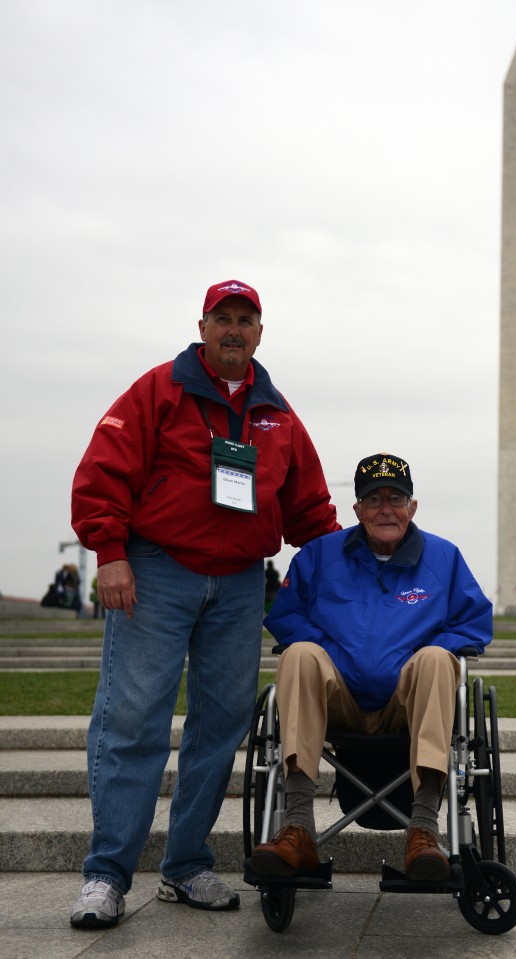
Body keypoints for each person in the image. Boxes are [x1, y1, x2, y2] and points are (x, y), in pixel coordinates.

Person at [69, 279, 339, 929]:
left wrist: (357, 574)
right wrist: (110, 552)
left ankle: (186, 863)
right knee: (133, 719)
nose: (235, 329)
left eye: (246, 320)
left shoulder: (277, 413)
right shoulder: (158, 389)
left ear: (260, 333)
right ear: (203, 324)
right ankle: (106, 875)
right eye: (224, 318)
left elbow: (311, 510)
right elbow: (104, 471)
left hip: (243, 580)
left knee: (220, 726)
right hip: (157, 571)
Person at [250, 453, 492, 882]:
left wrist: (419, 653)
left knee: (439, 660)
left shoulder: (443, 558)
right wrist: (334, 653)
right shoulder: (319, 557)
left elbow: (473, 622)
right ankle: (298, 826)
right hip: (338, 697)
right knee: (299, 654)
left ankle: (423, 829)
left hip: (405, 698)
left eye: (396, 498)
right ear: (357, 509)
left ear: (412, 507)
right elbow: (286, 617)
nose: (386, 508)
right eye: (373, 498)